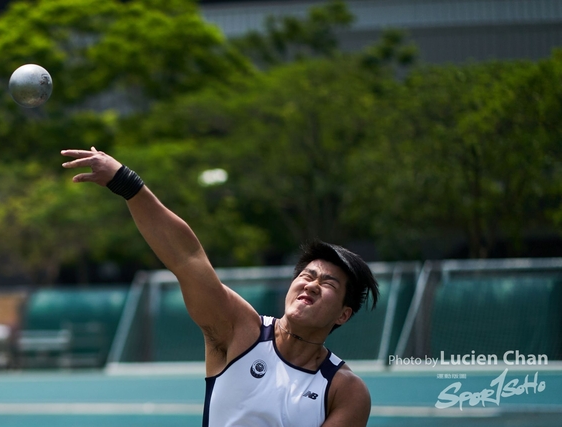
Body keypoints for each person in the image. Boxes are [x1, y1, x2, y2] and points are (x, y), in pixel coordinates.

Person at [61, 148, 379, 427]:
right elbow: (187, 258)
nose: (311, 285)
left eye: (328, 284)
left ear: (343, 314)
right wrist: (126, 183)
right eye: (307, 276)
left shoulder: (345, 391)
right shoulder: (240, 330)